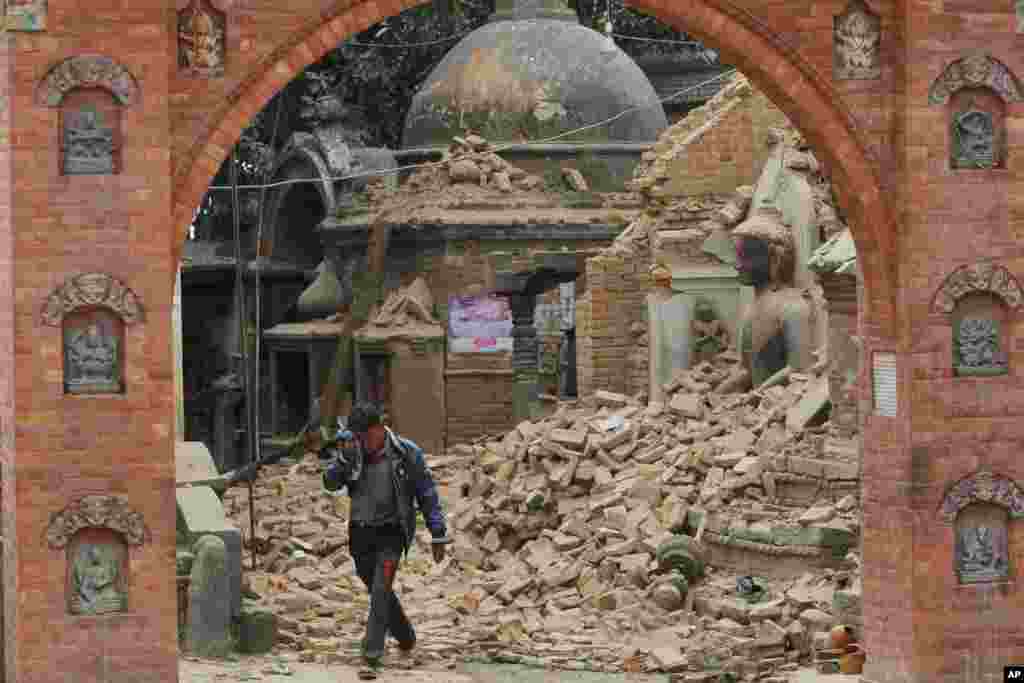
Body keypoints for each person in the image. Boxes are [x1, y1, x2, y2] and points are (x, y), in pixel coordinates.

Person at [322, 401, 450, 680]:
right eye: (357, 437)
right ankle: (405, 635)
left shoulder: (407, 453)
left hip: (392, 531)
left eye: (366, 436)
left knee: (381, 588)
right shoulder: (353, 453)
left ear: (380, 428)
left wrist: (438, 532)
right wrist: (342, 462)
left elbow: (427, 493)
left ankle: (371, 653)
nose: (362, 443)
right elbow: (329, 483)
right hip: (361, 533)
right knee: (376, 587)